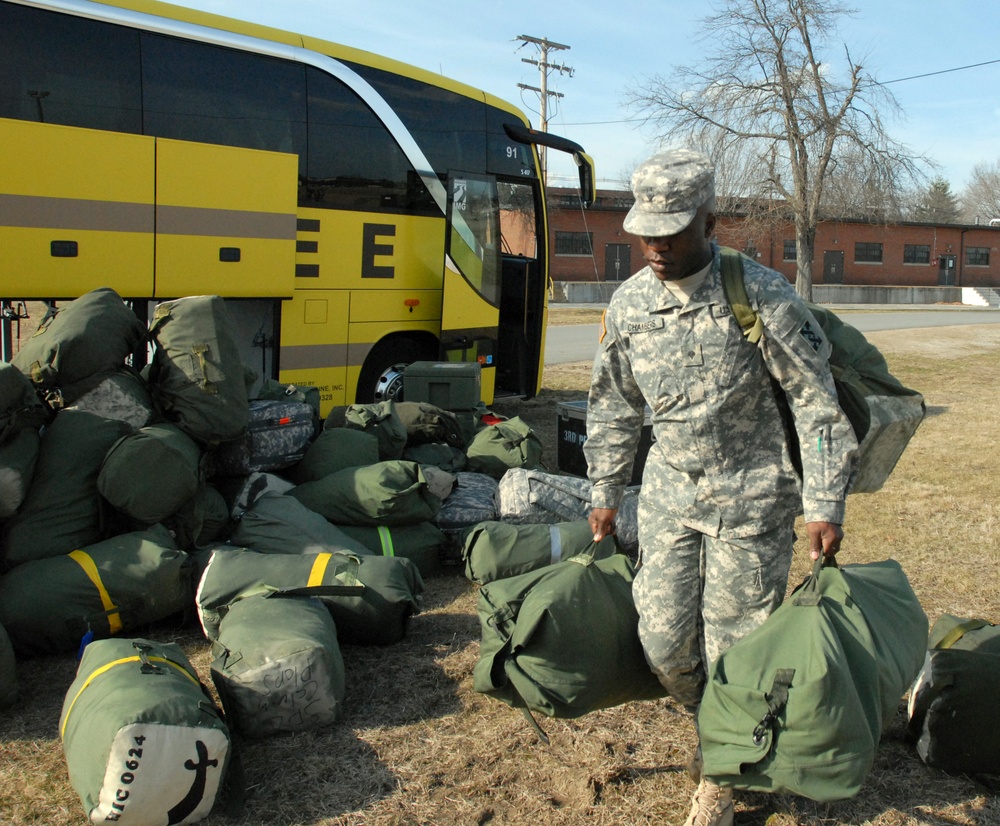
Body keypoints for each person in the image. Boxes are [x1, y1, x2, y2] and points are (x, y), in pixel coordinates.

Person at [584, 148, 858, 826]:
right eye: (646, 229)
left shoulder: (761, 296)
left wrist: (824, 501)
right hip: (671, 493)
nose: (655, 244)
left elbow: (816, 404)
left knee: (734, 648)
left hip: (752, 496)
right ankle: (722, 728)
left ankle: (724, 771)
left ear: (709, 220)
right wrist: (604, 489)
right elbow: (614, 404)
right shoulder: (629, 305)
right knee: (665, 645)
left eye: (672, 229)